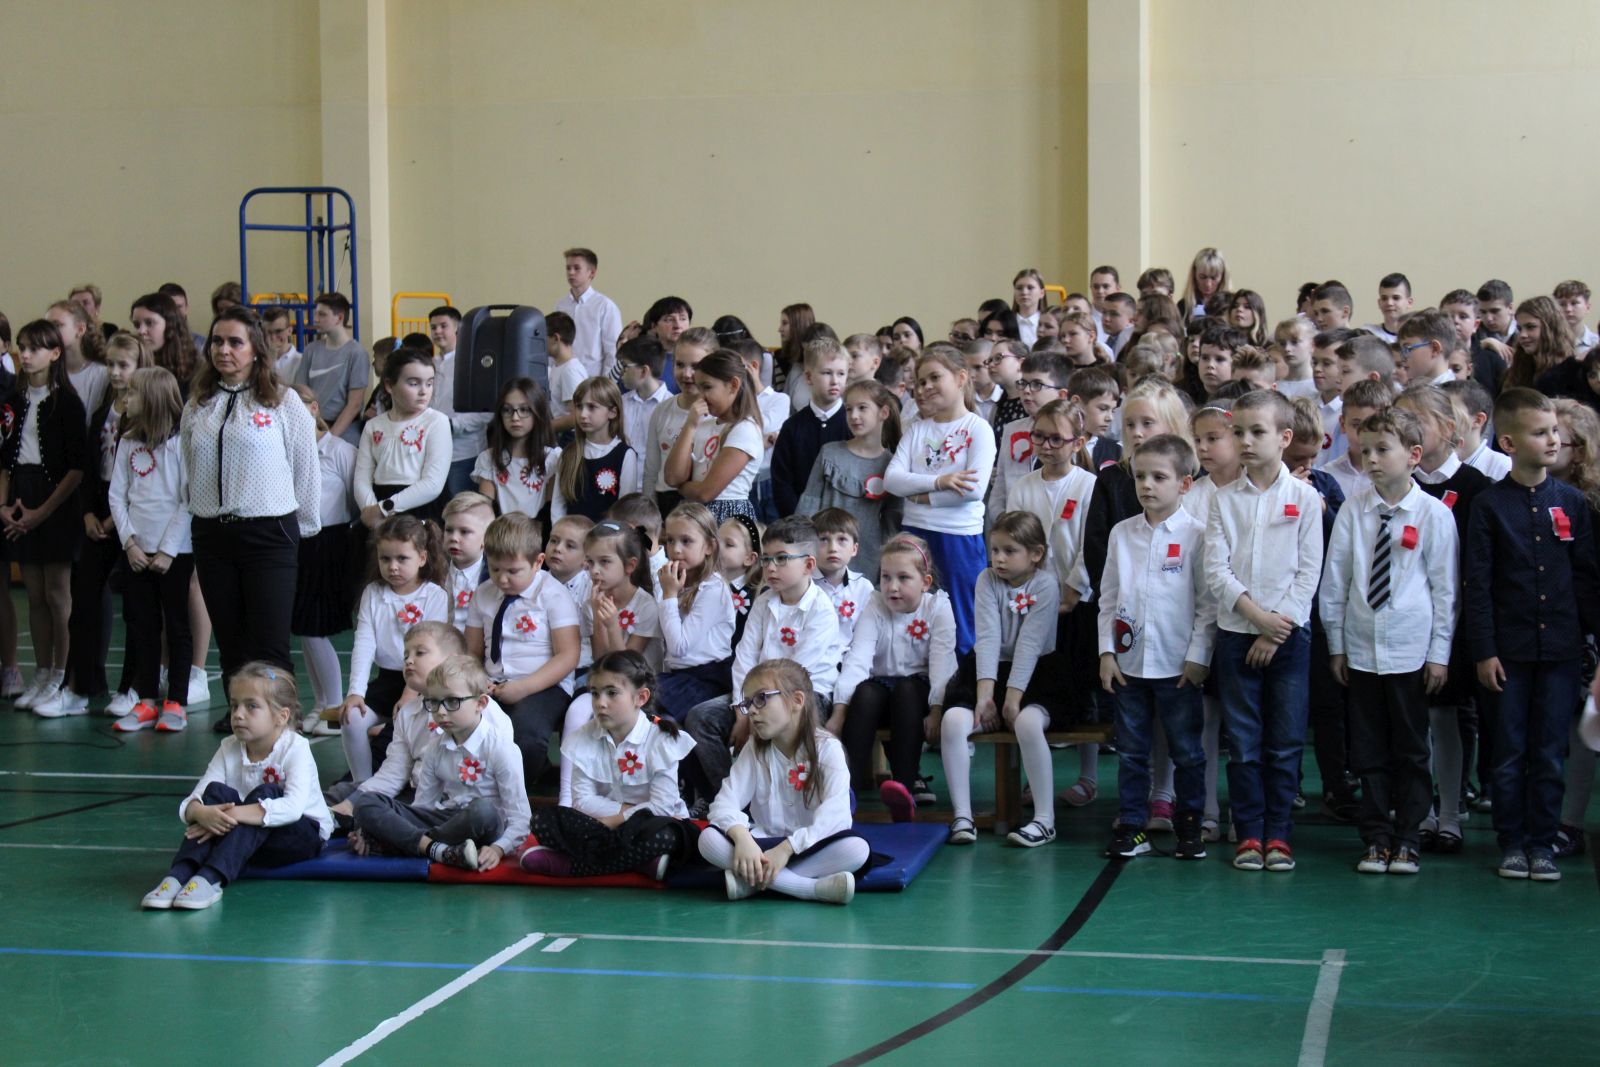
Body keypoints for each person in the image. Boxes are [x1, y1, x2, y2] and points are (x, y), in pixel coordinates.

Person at [1465, 389, 1600, 882]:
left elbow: (1586, 580)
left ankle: (1542, 842)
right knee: (1509, 751)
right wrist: (1485, 650)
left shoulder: (1572, 503)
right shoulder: (1488, 506)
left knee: (1548, 752)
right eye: (1540, 433)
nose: (1553, 440)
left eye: (1555, 432)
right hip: (1508, 653)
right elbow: (1477, 584)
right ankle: (1512, 841)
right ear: (1508, 443)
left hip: (1561, 651)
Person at [1322, 407, 1457, 876]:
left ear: (1414, 455)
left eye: (1383, 449)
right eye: (1365, 450)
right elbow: (1335, 583)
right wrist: (1337, 645)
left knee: (1412, 750)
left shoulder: (1434, 515)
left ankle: (1408, 838)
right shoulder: (1353, 511)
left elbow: (1445, 591)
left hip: (1410, 653)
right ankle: (1376, 837)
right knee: (1368, 750)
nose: (1372, 459)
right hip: (1362, 651)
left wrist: (1439, 655)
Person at [1204, 389, 1324, 873]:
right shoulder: (1222, 500)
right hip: (1237, 634)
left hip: (1289, 638)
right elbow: (1216, 571)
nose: (1246, 441)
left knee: (1286, 742)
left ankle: (1279, 834)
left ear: (1285, 438)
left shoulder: (1305, 499)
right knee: (1244, 742)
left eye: (1257, 431)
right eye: (1239, 432)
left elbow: (1309, 573)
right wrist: (1258, 619)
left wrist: (1277, 629)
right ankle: (1249, 831)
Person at [184, 308, 319, 697]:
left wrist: (303, 529)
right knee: (231, 642)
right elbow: (189, 465)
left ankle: (279, 720)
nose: (223, 350)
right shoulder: (198, 404)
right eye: (217, 341)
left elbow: (306, 469)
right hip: (212, 535)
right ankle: (241, 715)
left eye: (235, 342)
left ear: (256, 349)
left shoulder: (283, 402)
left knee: (270, 643)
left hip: (269, 533)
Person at [1098, 435, 1215, 860]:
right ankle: (1132, 826)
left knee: (1187, 752)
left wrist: (1198, 657)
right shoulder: (1121, 534)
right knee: (1131, 752)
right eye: (1140, 476)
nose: (1146, 485)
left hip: (1178, 665)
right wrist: (1106, 652)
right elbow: (1108, 597)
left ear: (1184, 484)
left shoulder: (1197, 535)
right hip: (1129, 665)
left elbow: (1207, 605)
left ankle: (1190, 826)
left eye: (1159, 477)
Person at [682, 517, 844, 807]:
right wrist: (742, 709)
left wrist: (753, 709)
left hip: (804, 698)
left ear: (808, 565)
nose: (770, 567)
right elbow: (744, 657)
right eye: (767, 558)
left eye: (781, 559)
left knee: (775, 720)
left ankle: (781, 805)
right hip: (755, 696)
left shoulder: (821, 610)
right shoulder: (764, 601)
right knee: (700, 718)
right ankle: (731, 804)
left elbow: (795, 677)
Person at [141, 663, 332, 910]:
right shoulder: (229, 747)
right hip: (245, 837)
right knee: (214, 792)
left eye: (251, 706)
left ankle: (211, 877)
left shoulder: (296, 748)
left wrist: (230, 814)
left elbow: (293, 809)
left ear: (281, 716)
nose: (238, 714)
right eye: (234, 706)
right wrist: (201, 812)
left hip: (299, 836)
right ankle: (179, 873)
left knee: (269, 792)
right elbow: (196, 797)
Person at [1395, 384, 1490, 855]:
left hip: (1454, 624)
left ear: (1448, 429)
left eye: (1417, 421)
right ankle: (1421, 813)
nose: (1407, 428)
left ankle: (1451, 812)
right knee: (1412, 722)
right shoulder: (1400, 485)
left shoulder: (1476, 488)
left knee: (1447, 717)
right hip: (1405, 622)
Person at [698, 659, 868, 904]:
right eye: (748, 703)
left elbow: (836, 816)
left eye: (761, 698)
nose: (752, 710)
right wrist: (742, 838)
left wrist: (787, 848)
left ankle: (751, 883)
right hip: (761, 845)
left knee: (856, 849)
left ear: (797, 700)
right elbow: (724, 803)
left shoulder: (828, 749)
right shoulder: (754, 749)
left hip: (812, 845)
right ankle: (810, 888)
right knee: (708, 841)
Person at [940, 511, 1064, 847]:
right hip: (987, 673)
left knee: (1027, 724)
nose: (999, 558)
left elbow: (1029, 645)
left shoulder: (1046, 585)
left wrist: (1011, 700)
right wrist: (985, 697)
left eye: (1009, 551)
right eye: (994, 550)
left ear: (1035, 554)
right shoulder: (986, 580)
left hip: (1037, 675)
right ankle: (963, 817)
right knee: (953, 721)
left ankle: (1045, 820)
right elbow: (988, 637)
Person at [522, 650, 697, 880]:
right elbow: (582, 801)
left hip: (650, 825)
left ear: (640, 698)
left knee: (668, 835)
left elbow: (663, 807)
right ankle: (641, 863)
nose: (600, 703)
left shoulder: (660, 740)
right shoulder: (583, 737)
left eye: (612, 693)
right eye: (595, 693)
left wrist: (613, 821)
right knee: (543, 821)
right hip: (605, 823)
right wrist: (627, 814)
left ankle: (572, 866)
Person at [351, 655, 530, 872]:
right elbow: (423, 808)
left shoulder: (500, 748)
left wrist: (498, 849)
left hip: (485, 825)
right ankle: (439, 850)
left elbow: (521, 819)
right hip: (447, 821)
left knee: (484, 811)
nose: (441, 711)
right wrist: (399, 823)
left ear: (480, 703)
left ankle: (398, 843)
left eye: (452, 701)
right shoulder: (435, 747)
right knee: (367, 802)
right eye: (434, 702)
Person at [834, 533, 955, 819]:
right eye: (886, 577)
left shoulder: (937, 607)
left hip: (919, 693)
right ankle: (845, 791)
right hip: (882, 689)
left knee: (907, 692)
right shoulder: (875, 604)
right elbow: (858, 659)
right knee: (865, 693)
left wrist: (937, 709)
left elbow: (942, 664)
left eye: (903, 578)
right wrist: (839, 712)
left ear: (925, 582)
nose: (892, 587)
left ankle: (904, 788)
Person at [885, 345, 996, 655]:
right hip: (914, 534)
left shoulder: (978, 428)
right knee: (913, 614)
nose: (926, 387)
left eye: (935, 377)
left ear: (961, 378)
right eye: (921, 381)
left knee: (962, 619)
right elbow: (892, 480)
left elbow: (973, 490)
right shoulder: (917, 429)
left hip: (958, 536)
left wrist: (920, 496)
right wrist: (939, 481)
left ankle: (963, 680)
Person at [59, 333, 149, 717]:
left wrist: (116, 519)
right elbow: (88, 466)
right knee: (83, 601)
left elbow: (144, 475)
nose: (114, 372)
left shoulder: (145, 414)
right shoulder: (102, 410)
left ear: (139, 367)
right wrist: (87, 514)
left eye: (123, 365)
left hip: (131, 517)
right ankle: (81, 684)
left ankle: (132, 687)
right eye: (110, 364)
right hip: (99, 514)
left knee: (136, 607)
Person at [2, 320, 88, 711]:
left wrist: (43, 512)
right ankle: (41, 672)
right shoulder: (13, 401)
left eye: (35, 348)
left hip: (55, 501)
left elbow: (76, 468)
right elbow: (5, 461)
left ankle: (60, 674)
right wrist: (4, 506)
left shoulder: (67, 403)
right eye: (22, 347)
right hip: (21, 493)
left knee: (57, 593)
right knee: (34, 593)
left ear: (54, 353)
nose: (26, 354)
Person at [103, 367, 194, 731]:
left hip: (175, 553)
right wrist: (129, 543)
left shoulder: (181, 443)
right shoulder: (127, 441)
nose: (126, 399)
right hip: (137, 552)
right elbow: (117, 496)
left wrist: (168, 550)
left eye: (133, 393)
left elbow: (187, 499)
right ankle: (146, 700)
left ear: (153, 399)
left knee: (177, 625)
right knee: (142, 625)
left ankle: (176, 701)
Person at [465, 512, 581, 787]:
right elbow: (471, 651)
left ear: (538, 562)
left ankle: (517, 790)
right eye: (495, 569)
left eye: (513, 571)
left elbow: (568, 655)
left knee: (526, 735)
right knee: (465, 722)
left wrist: (524, 687)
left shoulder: (553, 594)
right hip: (492, 681)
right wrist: (478, 679)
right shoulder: (483, 594)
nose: (502, 579)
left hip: (544, 684)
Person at [340, 514, 450, 781]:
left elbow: (429, 649)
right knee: (352, 718)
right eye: (385, 559)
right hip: (386, 680)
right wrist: (356, 692)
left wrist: (409, 694)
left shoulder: (434, 595)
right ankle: (361, 783)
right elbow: (364, 643)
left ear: (422, 558)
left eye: (402, 558)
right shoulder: (373, 593)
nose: (393, 567)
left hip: (423, 684)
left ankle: (410, 781)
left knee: (408, 726)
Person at [281, 383, 357, 729]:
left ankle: (335, 706)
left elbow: (355, 502)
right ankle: (323, 702)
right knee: (303, 629)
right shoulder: (284, 452)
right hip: (298, 542)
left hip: (330, 543)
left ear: (313, 409)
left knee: (314, 629)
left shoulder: (340, 452)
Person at [796, 379, 902, 580]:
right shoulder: (829, 452)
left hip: (868, 558)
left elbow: (892, 521)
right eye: (848, 409)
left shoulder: (893, 465)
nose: (853, 416)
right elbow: (808, 504)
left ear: (883, 413)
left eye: (862, 408)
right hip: (824, 553)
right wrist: (801, 550)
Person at [653, 502, 735, 720]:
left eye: (686, 541)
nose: (676, 549)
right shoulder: (674, 579)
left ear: (709, 546)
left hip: (707, 678)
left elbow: (679, 647)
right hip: (680, 677)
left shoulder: (713, 588)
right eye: (670, 540)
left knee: (658, 716)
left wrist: (669, 595)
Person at [353, 347, 450, 527]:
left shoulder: (437, 421)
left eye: (429, 383)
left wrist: (384, 509)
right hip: (378, 506)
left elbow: (433, 484)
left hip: (420, 506)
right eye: (414, 383)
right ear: (389, 385)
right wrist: (370, 510)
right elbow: (361, 478)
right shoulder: (373, 425)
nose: (424, 391)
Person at [665, 349, 764, 523]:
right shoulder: (703, 424)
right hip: (698, 515)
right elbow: (673, 477)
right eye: (699, 387)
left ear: (733, 385)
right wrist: (690, 425)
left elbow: (706, 492)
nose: (700, 396)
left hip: (727, 517)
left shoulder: (745, 429)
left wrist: (682, 487)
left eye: (707, 387)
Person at [771, 338, 851, 518]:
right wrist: (798, 519)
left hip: (845, 522)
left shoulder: (853, 424)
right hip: (801, 521)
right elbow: (782, 481)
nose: (835, 381)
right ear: (808, 377)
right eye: (827, 373)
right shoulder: (792, 427)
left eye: (841, 373)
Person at [643, 328, 714, 516]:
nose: (687, 374)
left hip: (706, 505)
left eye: (696, 366)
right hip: (667, 502)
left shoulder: (719, 415)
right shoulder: (662, 411)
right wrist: (650, 518)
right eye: (680, 364)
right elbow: (651, 470)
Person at [425, 305, 493, 498]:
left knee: (464, 505)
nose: (437, 331)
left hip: (464, 452)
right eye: (433, 327)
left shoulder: (474, 362)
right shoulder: (430, 363)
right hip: (433, 453)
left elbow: (488, 410)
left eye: (443, 326)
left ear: (458, 328)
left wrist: (454, 425)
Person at [550, 377, 640, 522]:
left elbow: (623, 510)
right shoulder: (568, 454)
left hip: (607, 534)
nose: (583, 414)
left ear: (612, 412)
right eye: (579, 407)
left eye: (591, 407)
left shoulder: (625, 455)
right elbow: (558, 505)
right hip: (570, 534)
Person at [472, 377, 558, 517]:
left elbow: (549, 511)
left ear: (537, 412)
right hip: (500, 528)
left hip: (539, 529)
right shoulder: (489, 458)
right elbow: (485, 510)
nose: (515, 418)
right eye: (507, 410)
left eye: (524, 410)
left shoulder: (551, 458)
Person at [292, 292, 368, 445]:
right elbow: (300, 394)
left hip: (344, 431)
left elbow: (354, 404)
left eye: (322, 315)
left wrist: (329, 439)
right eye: (316, 314)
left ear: (339, 318)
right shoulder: (311, 350)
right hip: (313, 427)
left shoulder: (357, 353)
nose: (316, 319)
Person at [555, 247, 623, 380]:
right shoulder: (560, 305)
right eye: (568, 268)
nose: (571, 272)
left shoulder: (605, 306)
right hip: (562, 377)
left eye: (577, 268)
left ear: (591, 272)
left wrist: (605, 383)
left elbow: (612, 351)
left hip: (591, 380)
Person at [811, 508, 875, 650]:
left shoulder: (864, 588)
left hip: (848, 659)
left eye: (841, 539)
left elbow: (865, 640)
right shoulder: (803, 584)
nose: (833, 548)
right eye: (824, 539)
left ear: (854, 549)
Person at [45, 300, 108, 426]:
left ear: (80, 329)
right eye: (47, 327)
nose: (49, 332)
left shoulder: (100, 373)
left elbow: (91, 423)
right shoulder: (46, 370)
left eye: (57, 325)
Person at [441, 491, 494, 630]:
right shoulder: (435, 569)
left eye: (464, 532)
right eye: (449, 530)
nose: (454, 538)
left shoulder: (493, 576)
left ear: (486, 538)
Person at [1443, 378, 1512, 482]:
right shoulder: (1426, 463)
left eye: (1448, 412)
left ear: (1478, 420)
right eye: (1434, 413)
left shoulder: (1503, 468)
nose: (1439, 419)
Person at [545, 311, 587, 435]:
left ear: (555, 338)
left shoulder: (570, 370)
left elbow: (576, 416)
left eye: (543, 337)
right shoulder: (557, 367)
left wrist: (542, 429)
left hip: (568, 437)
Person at [1365, 273, 1415, 343]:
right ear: (1379, 303)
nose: (1389, 303)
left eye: (1396, 298)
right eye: (1384, 298)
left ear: (1409, 303)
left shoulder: (1419, 337)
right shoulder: (1368, 334)